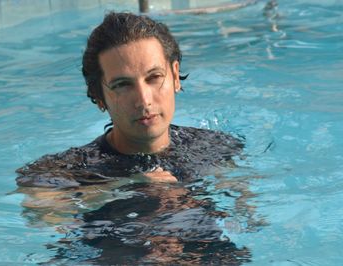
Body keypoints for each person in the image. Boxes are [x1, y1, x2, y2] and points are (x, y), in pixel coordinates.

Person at [15, 12, 244, 188]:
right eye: (123, 85)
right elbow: (43, 213)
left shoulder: (215, 148)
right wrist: (128, 186)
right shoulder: (70, 171)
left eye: (154, 77)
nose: (144, 100)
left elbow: (248, 215)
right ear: (99, 97)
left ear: (175, 76)